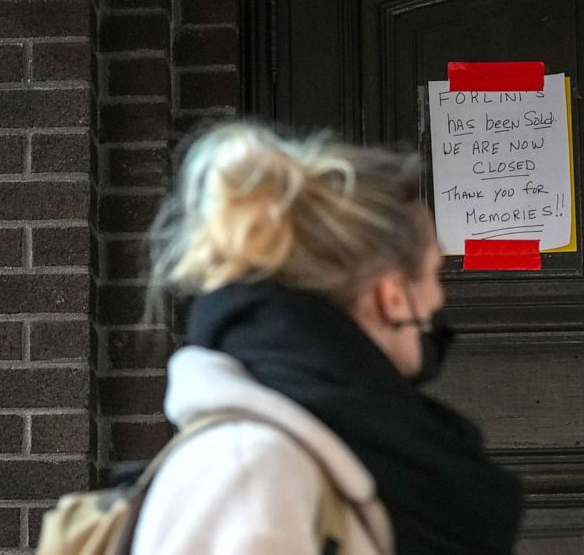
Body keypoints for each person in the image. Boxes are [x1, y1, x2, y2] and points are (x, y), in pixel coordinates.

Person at [133, 122, 523, 554]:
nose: (438, 298)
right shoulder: (253, 470)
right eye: (434, 273)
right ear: (391, 295)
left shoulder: (339, 453)